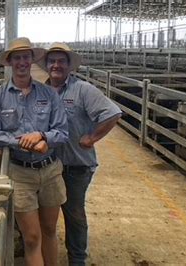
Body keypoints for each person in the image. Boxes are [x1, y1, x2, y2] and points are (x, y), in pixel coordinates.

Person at [0, 37, 69, 266]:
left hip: (50, 169)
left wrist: (42, 137)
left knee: (50, 230)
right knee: (32, 237)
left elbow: (62, 132)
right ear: (10, 62)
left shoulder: (48, 94)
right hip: (20, 173)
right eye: (17, 58)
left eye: (26, 57)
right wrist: (22, 141)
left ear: (32, 60)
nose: (22, 62)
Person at [37, 42, 122, 265]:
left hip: (76, 166)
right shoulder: (41, 92)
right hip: (48, 165)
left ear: (69, 66)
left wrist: (93, 137)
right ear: (46, 65)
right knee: (46, 215)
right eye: (52, 61)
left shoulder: (83, 90)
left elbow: (113, 114)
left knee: (73, 214)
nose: (56, 65)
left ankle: (77, 259)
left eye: (61, 61)